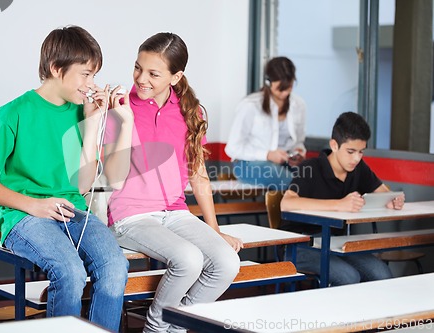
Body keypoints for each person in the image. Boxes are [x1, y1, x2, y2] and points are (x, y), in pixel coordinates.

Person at [0, 26, 129, 331]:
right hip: (25, 217)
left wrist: (92, 123)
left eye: (94, 75)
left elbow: (82, 186)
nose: (91, 84)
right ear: (56, 68)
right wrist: (34, 206)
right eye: (85, 74)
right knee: (69, 271)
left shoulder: (81, 112)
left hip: (73, 212)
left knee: (115, 266)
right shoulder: (13, 113)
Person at [104, 32, 242, 333]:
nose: (141, 78)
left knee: (227, 263)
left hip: (175, 212)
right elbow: (110, 170)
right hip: (130, 215)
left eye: (153, 73)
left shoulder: (189, 112)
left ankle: (176, 328)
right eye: (138, 68)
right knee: (189, 260)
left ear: (176, 77)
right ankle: (155, 328)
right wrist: (119, 117)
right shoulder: (120, 107)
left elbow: (198, 174)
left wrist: (215, 230)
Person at [280, 111, 405, 286]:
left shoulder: (358, 168)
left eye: (361, 152)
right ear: (334, 145)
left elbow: (383, 191)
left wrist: (392, 199)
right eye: (351, 151)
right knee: (349, 277)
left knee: (382, 274)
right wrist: (339, 205)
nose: (356, 158)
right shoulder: (310, 168)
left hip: (337, 243)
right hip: (300, 245)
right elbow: (286, 203)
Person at [225, 56, 306, 190]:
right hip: (247, 164)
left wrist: (298, 152)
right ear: (269, 82)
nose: (285, 93)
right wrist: (267, 154)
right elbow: (232, 148)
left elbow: (298, 141)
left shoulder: (299, 105)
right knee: (291, 181)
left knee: (312, 177)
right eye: (281, 88)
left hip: (283, 163)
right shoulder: (250, 105)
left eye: (290, 87)